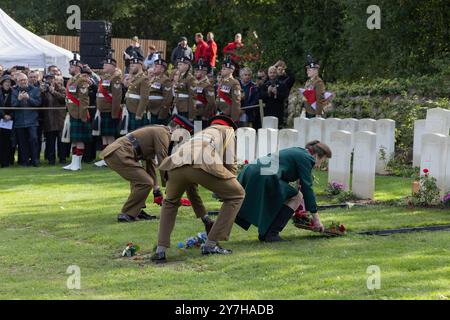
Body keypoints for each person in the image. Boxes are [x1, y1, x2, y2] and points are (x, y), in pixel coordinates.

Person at [151, 115, 245, 264]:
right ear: (231, 126)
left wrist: (205, 218)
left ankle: (160, 251)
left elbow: (191, 187)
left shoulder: (200, 134)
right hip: (201, 162)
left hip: (175, 164)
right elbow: (230, 164)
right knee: (237, 195)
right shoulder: (228, 131)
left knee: (169, 203)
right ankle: (211, 244)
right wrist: (228, 186)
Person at [101, 115, 194, 223]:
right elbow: (163, 161)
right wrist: (169, 187)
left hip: (119, 153)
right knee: (145, 182)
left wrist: (156, 189)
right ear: (177, 128)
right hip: (119, 154)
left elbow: (150, 162)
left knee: (140, 181)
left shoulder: (160, 130)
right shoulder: (163, 134)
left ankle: (137, 211)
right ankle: (126, 214)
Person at [235, 141, 333, 242]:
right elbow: (307, 187)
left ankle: (265, 233)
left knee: (287, 196)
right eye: (323, 161)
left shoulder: (299, 152)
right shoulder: (307, 158)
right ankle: (272, 234)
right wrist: (316, 219)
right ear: (316, 155)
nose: (320, 165)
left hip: (252, 170)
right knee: (297, 196)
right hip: (265, 175)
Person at [62, 53, 91, 171]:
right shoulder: (71, 80)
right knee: (74, 139)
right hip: (72, 112)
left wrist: (83, 115)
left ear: (78, 68)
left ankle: (78, 163)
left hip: (79, 113)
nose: (69, 69)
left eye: (72, 67)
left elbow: (84, 100)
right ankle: (74, 162)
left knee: (79, 140)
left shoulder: (82, 80)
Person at [92, 55, 123, 168]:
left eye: (106, 64)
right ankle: (106, 158)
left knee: (110, 136)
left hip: (110, 111)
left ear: (113, 66)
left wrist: (115, 113)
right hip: (102, 110)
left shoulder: (115, 79)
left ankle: (112, 159)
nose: (104, 65)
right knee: (104, 136)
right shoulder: (105, 78)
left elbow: (117, 98)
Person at [11, 73, 42, 167]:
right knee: (22, 142)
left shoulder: (35, 90)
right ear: (17, 82)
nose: (23, 81)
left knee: (34, 140)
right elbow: (13, 105)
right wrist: (19, 99)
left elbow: (38, 103)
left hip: (32, 121)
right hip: (19, 121)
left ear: (27, 80)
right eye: (21, 80)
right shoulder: (14, 91)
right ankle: (25, 162)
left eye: (24, 79)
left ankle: (35, 160)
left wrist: (29, 98)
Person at [41, 74, 67, 165]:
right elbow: (41, 103)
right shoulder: (44, 90)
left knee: (61, 141)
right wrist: (42, 93)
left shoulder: (61, 89)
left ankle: (62, 159)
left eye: (52, 79)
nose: (50, 81)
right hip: (49, 120)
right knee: (50, 142)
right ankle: (51, 160)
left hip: (60, 120)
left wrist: (53, 92)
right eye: (48, 79)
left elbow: (63, 99)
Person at [123, 56, 150, 132]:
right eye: (130, 65)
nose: (130, 67)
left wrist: (139, 113)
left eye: (133, 65)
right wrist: (130, 75)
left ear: (140, 65)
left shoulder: (144, 79)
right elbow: (125, 85)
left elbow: (144, 98)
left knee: (137, 136)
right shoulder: (134, 78)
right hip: (129, 109)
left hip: (136, 111)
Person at [147, 58, 173, 125]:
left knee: (160, 132)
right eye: (154, 66)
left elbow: (167, 99)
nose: (154, 68)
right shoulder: (153, 79)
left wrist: (162, 114)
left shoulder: (165, 80)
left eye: (156, 66)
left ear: (162, 69)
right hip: (152, 111)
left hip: (159, 112)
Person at [193, 58, 216, 127]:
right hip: (194, 113)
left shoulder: (207, 85)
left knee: (199, 134)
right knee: (194, 134)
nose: (195, 73)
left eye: (198, 71)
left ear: (204, 72)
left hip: (202, 114)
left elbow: (211, 102)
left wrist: (205, 115)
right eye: (196, 71)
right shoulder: (194, 83)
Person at [217, 57, 241, 122]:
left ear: (231, 70)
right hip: (219, 113)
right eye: (222, 68)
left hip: (228, 114)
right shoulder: (221, 82)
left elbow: (236, 102)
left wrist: (234, 119)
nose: (222, 70)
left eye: (225, 68)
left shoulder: (234, 83)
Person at [0, 75, 15, 167]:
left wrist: (10, 116)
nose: (7, 84)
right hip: (1, 119)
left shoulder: (14, 93)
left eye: (9, 82)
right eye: (6, 82)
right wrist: (3, 115)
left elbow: (16, 105)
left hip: (10, 121)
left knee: (9, 142)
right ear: (2, 83)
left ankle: (7, 161)